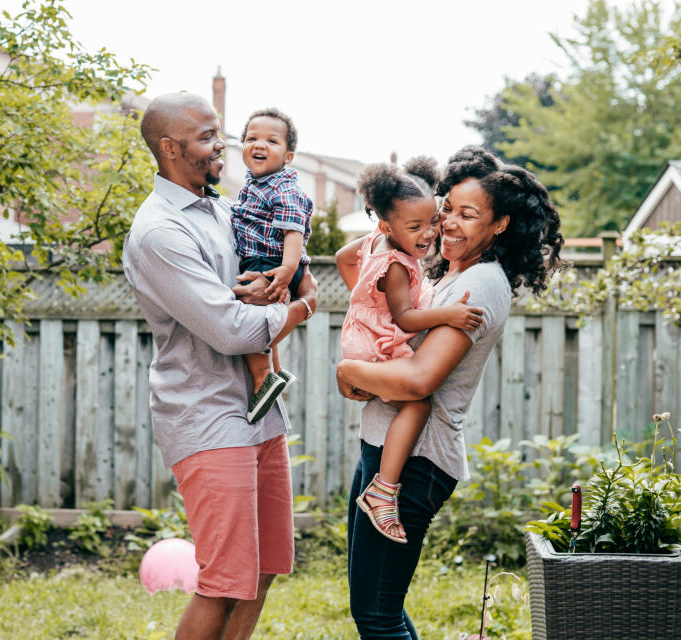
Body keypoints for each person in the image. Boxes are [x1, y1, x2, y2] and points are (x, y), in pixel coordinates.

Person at [336, 146, 564, 639]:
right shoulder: (447, 271)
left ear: (499, 225)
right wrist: (387, 226)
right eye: (446, 211)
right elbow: (357, 266)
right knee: (379, 607)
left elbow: (421, 380)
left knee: (376, 613)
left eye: (468, 214)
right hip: (387, 449)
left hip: (415, 463)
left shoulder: (481, 284)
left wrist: (349, 371)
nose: (451, 224)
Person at [122, 92, 318, 640]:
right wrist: (303, 306)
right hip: (207, 417)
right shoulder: (161, 232)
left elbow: (289, 260)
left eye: (219, 134)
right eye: (208, 137)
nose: (223, 147)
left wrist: (291, 280)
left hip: (260, 412)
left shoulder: (226, 209)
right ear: (169, 149)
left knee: (263, 569)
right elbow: (231, 329)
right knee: (225, 580)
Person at [336, 159, 484, 544]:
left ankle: (381, 487)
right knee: (418, 404)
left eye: (432, 222)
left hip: (365, 333)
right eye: (414, 227)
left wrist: (365, 298)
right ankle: (383, 490)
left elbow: (342, 258)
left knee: (411, 401)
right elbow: (404, 318)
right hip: (375, 343)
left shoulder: (374, 241)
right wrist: (448, 313)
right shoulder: (398, 265)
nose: (428, 234)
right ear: (387, 226)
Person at [231, 108, 314, 423]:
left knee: (251, 319)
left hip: (272, 264)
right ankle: (276, 372)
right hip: (267, 262)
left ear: (288, 156)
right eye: (251, 138)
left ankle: (263, 377)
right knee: (263, 319)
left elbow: (293, 231)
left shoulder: (283, 188)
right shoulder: (254, 185)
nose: (259, 145)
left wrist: (287, 270)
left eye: (271, 140)